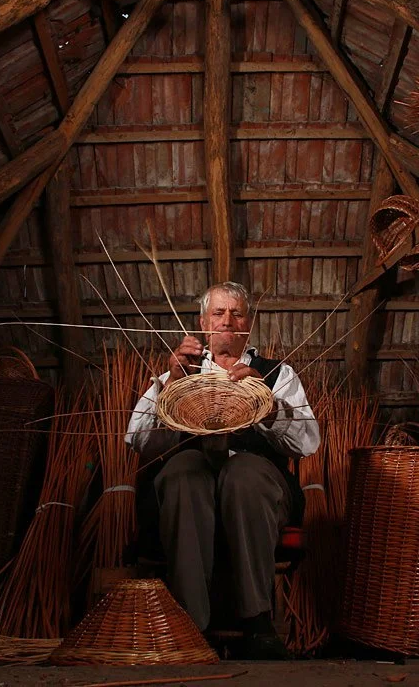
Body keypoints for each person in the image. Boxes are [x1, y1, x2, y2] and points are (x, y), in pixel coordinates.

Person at [125, 281, 319, 659]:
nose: (227, 321)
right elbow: (138, 440)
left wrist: (270, 405)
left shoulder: (277, 374)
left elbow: (308, 442)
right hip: (190, 493)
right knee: (184, 470)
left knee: (243, 472)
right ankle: (190, 625)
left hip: (258, 492)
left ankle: (257, 624)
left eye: (237, 313)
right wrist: (174, 386)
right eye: (218, 313)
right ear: (202, 323)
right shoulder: (178, 373)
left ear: (249, 324)